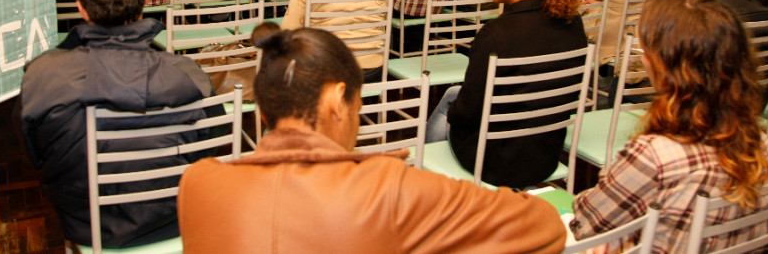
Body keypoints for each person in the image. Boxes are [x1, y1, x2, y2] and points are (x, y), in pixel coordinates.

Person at [178, 23, 568, 253]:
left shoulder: (197, 184)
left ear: (263, 113)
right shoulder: (390, 187)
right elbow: (542, 224)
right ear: (337, 100)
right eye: (358, 106)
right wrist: (371, 169)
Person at [18, 0, 217, 248]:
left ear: (81, 8)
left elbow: (34, 153)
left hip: (87, 223)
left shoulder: (43, 77)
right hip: (175, 218)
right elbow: (208, 153)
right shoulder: (189, 76)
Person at [571, 0, 768, 253]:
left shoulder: (654, 155)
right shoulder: (762, 146)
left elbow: (585, 223)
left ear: (663, 65)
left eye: (645, 51)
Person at [425, 0, 587, 187]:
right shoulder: (572, 22)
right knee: (454, 94)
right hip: (545, 154)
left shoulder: (494, 36)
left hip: (495, 162)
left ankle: (431, 184)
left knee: (451, 104)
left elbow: (468, 112)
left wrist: (457, 112)